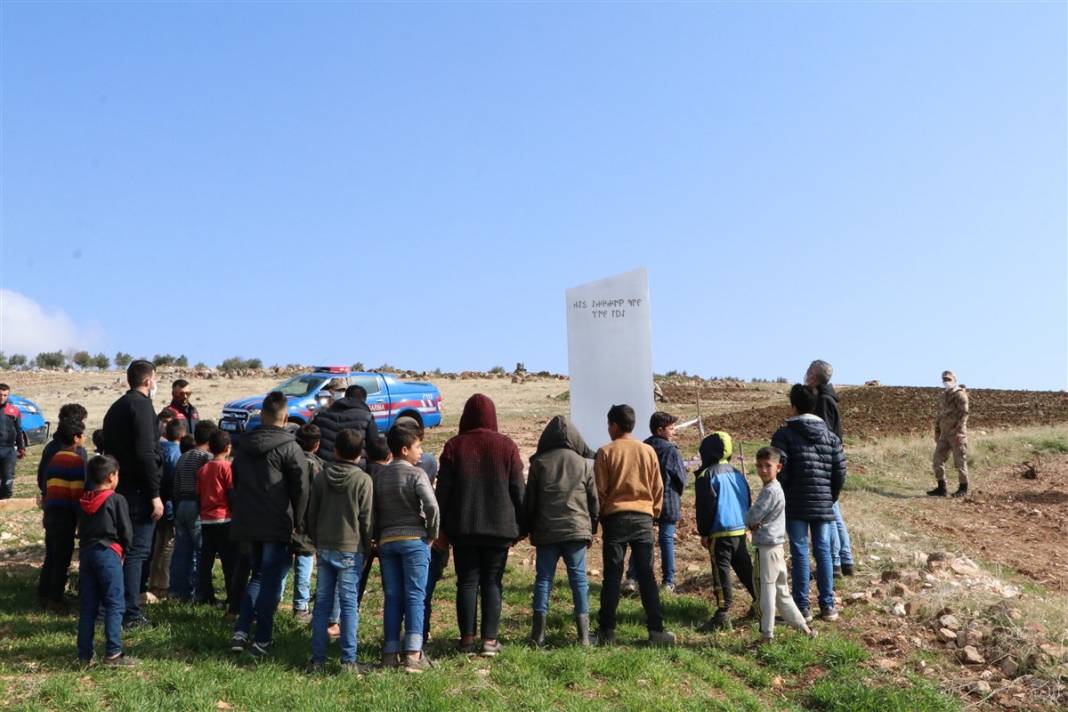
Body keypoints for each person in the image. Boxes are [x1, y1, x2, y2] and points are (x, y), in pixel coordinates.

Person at [435, 394, 524, 657]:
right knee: (493, 582)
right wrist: (522, 526)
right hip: (499, 529)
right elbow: (519, 489)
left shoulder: (454, 446)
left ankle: (466, 640)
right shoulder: (507, 446)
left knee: (467, 582)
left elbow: (443, 493)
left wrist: (439, 528)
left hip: (462, 529)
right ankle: (489, 641)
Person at [229, 391, 307, 659]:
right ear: (285, 418)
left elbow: (235, 481)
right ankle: (262, 637)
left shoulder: (242, 446)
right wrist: (299, 520)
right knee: (271, 579)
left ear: (262, 415)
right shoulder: (290, 447)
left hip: (248, 521)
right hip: (276, 520)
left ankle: (241, 630)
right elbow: (301, 487)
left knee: (258, 575)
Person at [593, 404, 676, 647]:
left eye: (609, 425)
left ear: (615, 426)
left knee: (612, 575)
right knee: (647, 575)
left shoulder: (606, 452)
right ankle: (656, 630)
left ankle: (607, 631)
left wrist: (598, 518)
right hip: (643, 519)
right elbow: (657, 487)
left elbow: (599, 490)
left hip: (615, 519)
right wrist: (653, 513)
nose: (608, 429)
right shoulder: (647, 451)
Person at [772, 384, 847, 623]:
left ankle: (802, 607)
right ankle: (828, 606)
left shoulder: (783, 435)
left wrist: (783, 492)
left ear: (793, 406)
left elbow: (779, 469)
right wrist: (830, 495)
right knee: (823, 551)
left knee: (800, 551)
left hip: (795, 502)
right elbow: (840, 471)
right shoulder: (831, 437)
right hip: (824, 502)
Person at [524, 415, 598, 647]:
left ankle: (538, 636)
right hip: (577, 531)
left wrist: (528, 529)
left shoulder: (539, 463)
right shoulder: (583, 464)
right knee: (579, 580)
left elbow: (530, 502)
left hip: (547, 531)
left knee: (543, 579)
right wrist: (592, 530)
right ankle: (584, 637)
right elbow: (593, 501)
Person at [102, 360, 164, 629]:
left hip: (119, 488)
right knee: (137, 552)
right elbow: (145, 452)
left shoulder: (116, 407)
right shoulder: (141, 406)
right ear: (149, 380)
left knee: (120, 551)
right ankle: (131, 612)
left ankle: (109, 608)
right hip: (138, 491)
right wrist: (154, 493)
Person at [306, 429, 373, 674]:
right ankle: (348, 660)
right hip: (351, 547)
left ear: (334, 450)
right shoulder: (363, 480)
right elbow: (366, 519)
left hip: (325, 546)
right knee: (348, 605)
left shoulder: (322, 477)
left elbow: (311, 513)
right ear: (360, 454)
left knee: (322, 604)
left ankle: (317, 659)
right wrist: (366, 547)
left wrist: (316, 539)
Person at [375, 424, 439, 672]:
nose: (420, 452)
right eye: (417, 447)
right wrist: (431, 533)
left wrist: (377, 535)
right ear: (404, 449)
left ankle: (390, 653)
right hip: (414, 540)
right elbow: (432, 506)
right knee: (415, 595)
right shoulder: (417, 474)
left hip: (387, 542)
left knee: (392, 597)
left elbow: (373, 510)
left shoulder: (380, 476)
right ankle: (413, 653)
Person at [745, 447, 815, 643]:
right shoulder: (774, 489)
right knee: (781, 592)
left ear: (778, 467)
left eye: (768, 466)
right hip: (776, 548)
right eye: (759, 465)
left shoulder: (770, 491)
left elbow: (751, 516)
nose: (763, 470)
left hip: (767, 549)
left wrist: (752, 522)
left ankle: (767, 635)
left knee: (765, 592)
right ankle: (804, 628)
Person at [77, 455, 136, 666]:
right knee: (114, 602)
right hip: (108, 552)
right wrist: (126, 549)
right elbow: (126, 530)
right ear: (112, 477)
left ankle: (85, 655)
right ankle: (113, 653)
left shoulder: (84, 499)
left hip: (86, 552)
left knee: (88, 605)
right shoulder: (116, 499)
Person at [694, 431, 756, 630]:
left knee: (721, 572)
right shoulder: (737, 473)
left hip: (719, 532)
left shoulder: (706, 475)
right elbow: (747, 498)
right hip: (739, 530)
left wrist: (704, 532)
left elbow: (706, 507)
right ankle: (760, 601)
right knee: (745, 568)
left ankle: (723, 612)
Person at [625, 412, 687, 594]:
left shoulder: (642, 447)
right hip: (667, 502)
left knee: (641, 540)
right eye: (671, 428)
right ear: (660, 430)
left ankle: (632, 578)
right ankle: (668, 582)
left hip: (643, 500)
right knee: (666, 540)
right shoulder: (671, 450)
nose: (674, 431)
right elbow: (680, 478)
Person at [806, 360, 854, 577]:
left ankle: (835, 563)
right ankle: (846, 559)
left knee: (829, 512)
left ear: (814, 376)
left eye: (808, 371)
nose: (805, 374)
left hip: (825, 462)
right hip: (832, 460)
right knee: (834, 510)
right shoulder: (828, 397)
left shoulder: (823, 401)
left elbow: (822, 434)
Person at [36, 419, 87, 613]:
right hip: (65, 515)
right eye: (82, 435)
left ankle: (44, 593)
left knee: (51, 555)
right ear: (76, 438)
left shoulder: (55, 457)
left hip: (51, 512)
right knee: (62, 558)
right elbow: (76, 493)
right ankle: (55, 601)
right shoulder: (75, 461)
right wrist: (81, 519)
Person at [169, 420, 216, 601]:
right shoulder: (206, 458)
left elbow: (176, 485)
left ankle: (177, 591)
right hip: (197, 506)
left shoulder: (184, 456)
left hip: (181, 504)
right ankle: (200, 592)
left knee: (181, 550)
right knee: (200, 551)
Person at [197, 429, 237, 608]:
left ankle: (206, 596)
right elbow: (231, 493)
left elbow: (198, 493)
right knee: (229, 562)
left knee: (206, 561)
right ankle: (232, 597)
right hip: (224, 518)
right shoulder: (227, 467)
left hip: (206, 519)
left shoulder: (203, 469)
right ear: (228, 448)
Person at [290, 423, 325, 622]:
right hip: (307, 520)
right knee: (304, 559)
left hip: (286, 516)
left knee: (283, 562)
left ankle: (275, 600)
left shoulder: (289, 459)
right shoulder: (317, 465)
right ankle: (300, 606)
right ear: (317, 445)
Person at [148, 418, 185, 598]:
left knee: (157, 544)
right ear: (183, 435)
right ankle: (162, 585)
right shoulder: (177, 454)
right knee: (168, 546)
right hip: (169, 504)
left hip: (156, 502)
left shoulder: (159, 449)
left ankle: (153, 581)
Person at [928, 370, 970, 498]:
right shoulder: (943, 396)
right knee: (937, 460)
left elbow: (964, 414)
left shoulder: (960, 395)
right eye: (944, 379)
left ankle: (963, 488)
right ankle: (942, 487)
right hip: (944, 435)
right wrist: (937, 431)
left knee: (959, 461)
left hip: (957, 434)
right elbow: (939, 415)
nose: (946, 381)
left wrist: (959, 431)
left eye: (949, 379)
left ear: (954, 380)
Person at [313, 385, 380, 462]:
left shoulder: (323, 413)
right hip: (356, 466)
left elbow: (310, 435)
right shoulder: (367, 417)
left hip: (324, 464)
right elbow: (375, 446)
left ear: (345, 396)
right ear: (364, 400)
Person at [37, 403, 89, 489]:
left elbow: (42, 477)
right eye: (82, 421)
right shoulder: (77, 451)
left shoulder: (51, 446)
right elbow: (82, 482)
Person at [0, 383, 27, 500]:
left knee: (8, 476)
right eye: (0, 395)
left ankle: (5, 499)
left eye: (5, 395)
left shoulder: (14, 411)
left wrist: (21, 448)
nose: (2, 397)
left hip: (9, 449)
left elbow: (19, 430)